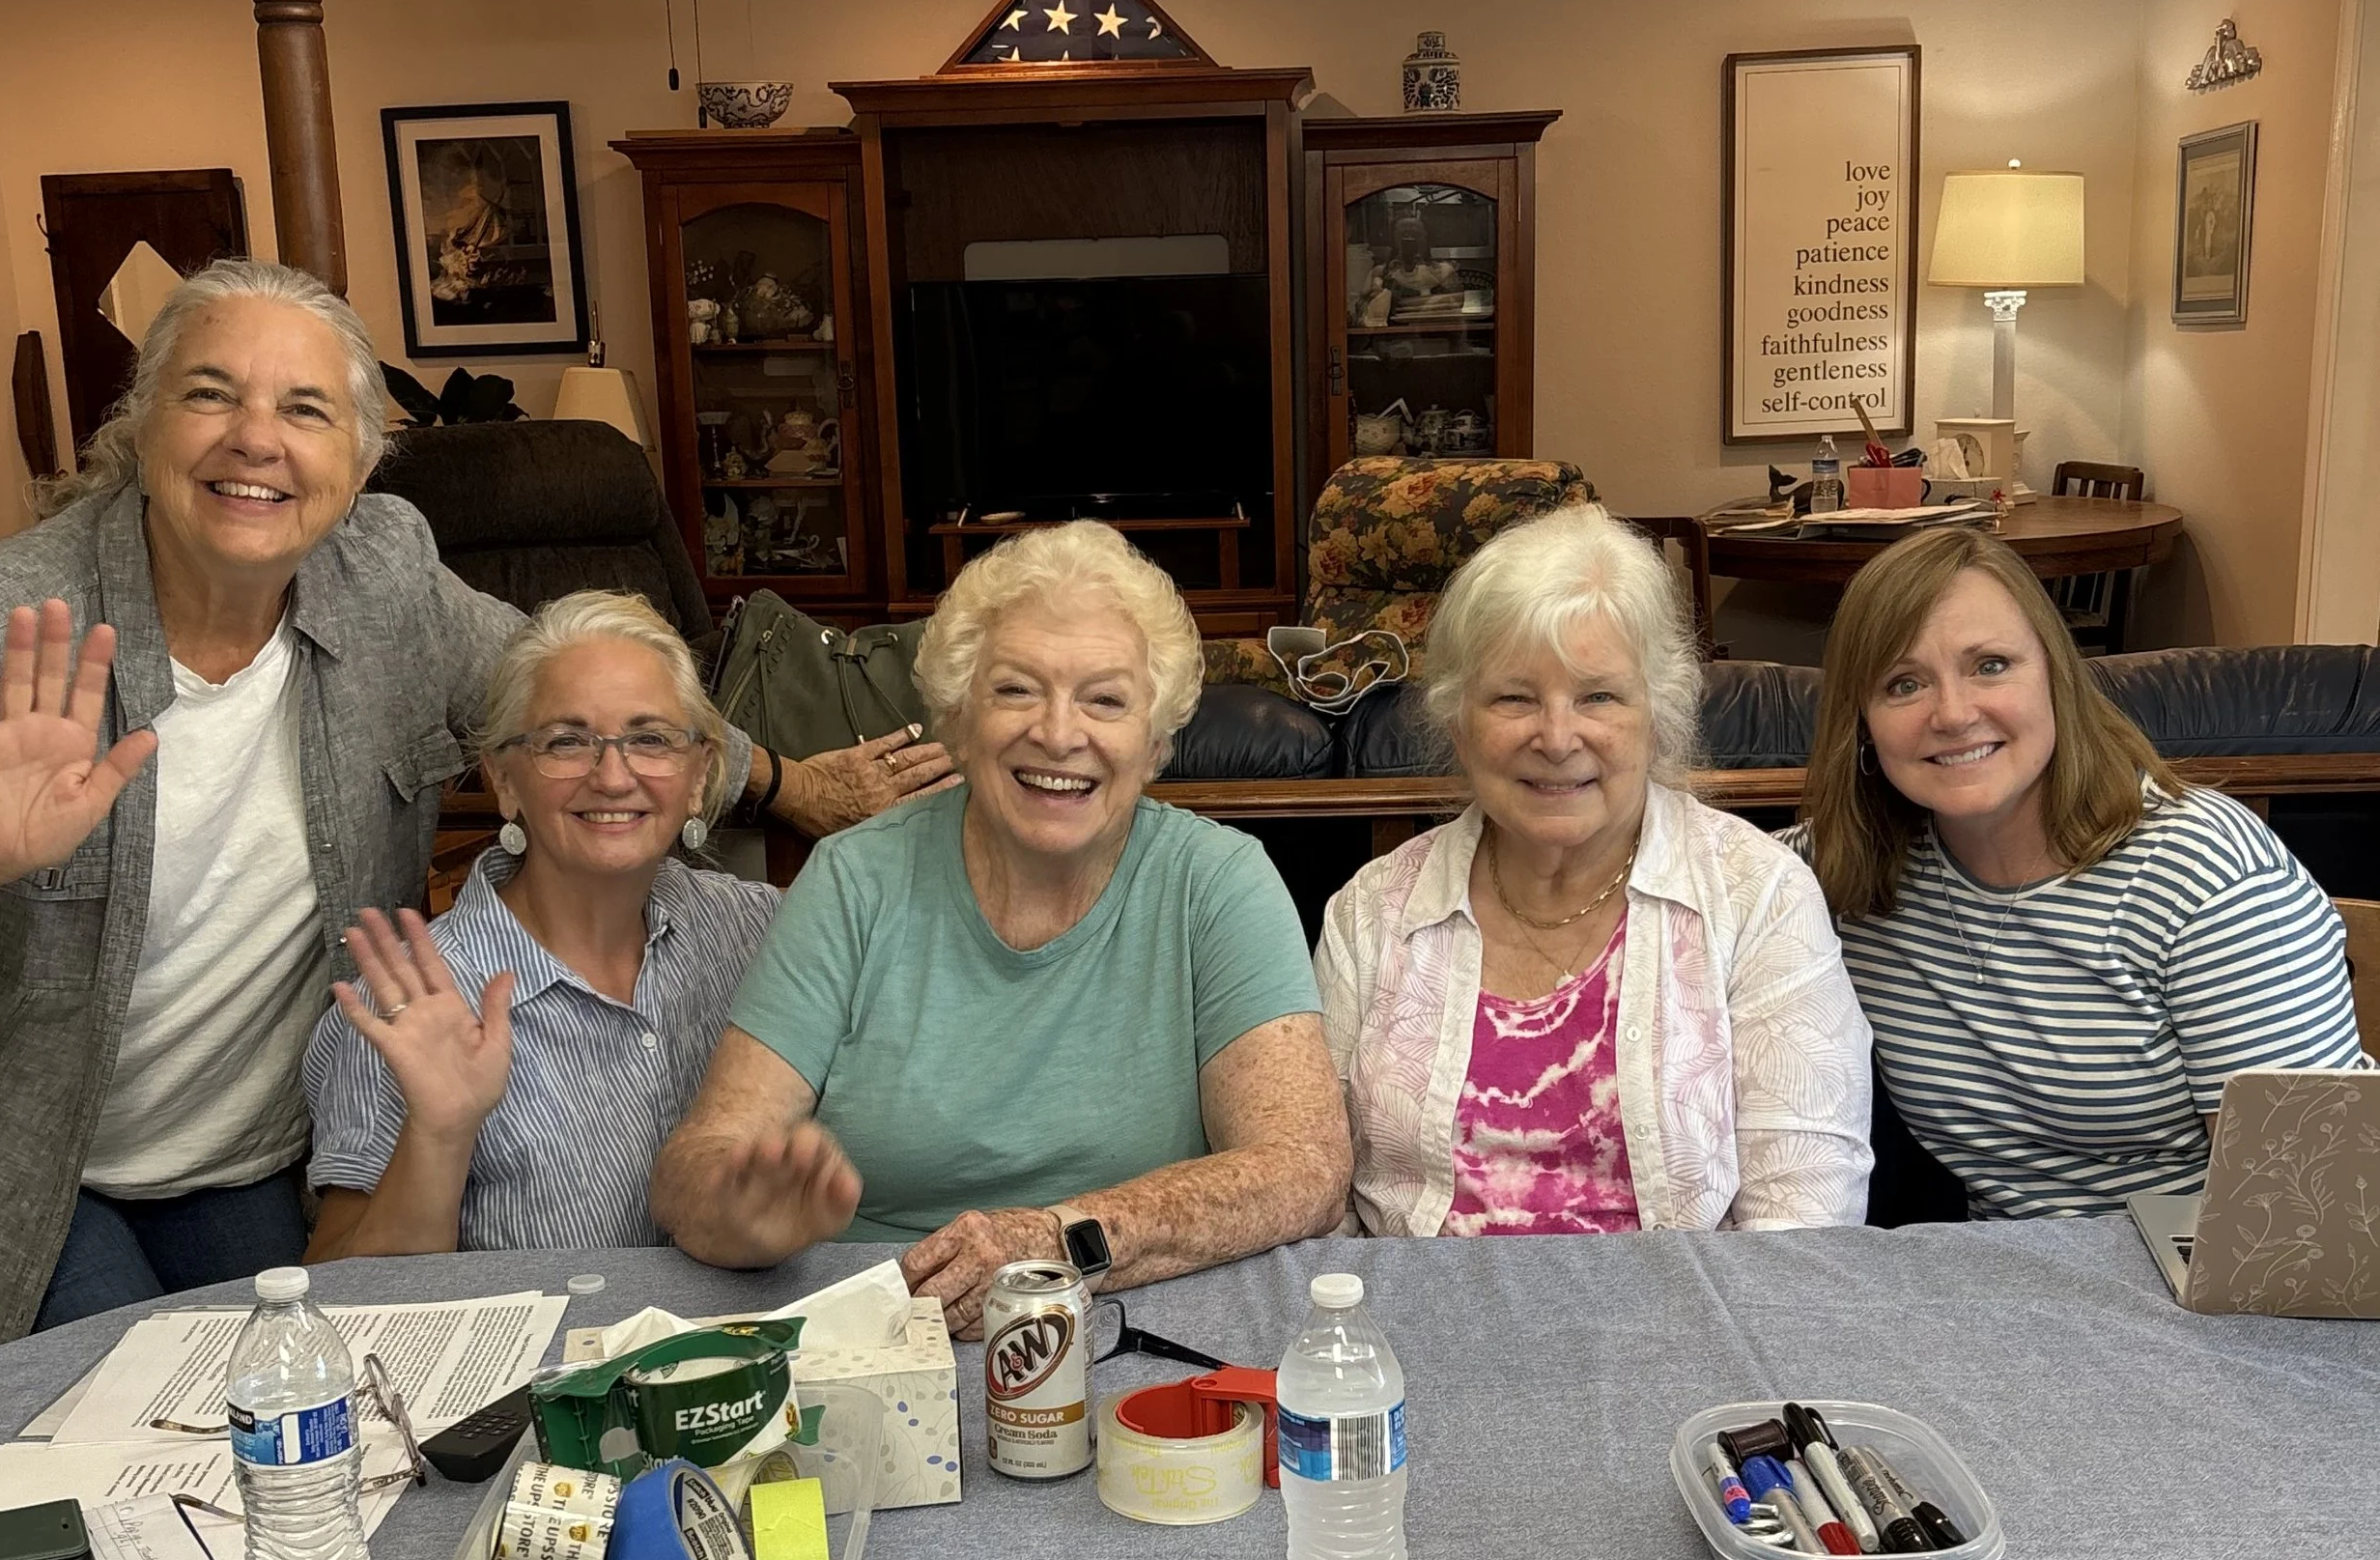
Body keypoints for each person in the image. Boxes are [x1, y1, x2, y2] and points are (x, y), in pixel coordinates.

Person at [0, 257, 952, 1350]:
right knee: (118, 1445)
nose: (256, 439)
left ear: (359, 459)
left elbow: (576, 699)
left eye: (305, 408)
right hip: (28, 1158)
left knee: (295, 1411)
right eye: (210, 393)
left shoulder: (381, 574)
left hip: (242, 1148)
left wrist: (787, 782)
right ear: (142, 421)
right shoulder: (3, 627)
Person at [652, 519, 1351, 1328]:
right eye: (1016, 688)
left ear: (1155, 741)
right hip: (888, 1332)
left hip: (1143, 1327)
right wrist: (738, 1212)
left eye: (1105, 699)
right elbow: (694, 1166)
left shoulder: (1218, 883)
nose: (1059, 732)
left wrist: (1061, 1240)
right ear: (957, 715)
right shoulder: (854, 878)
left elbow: (1303, 1166)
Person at [1316, 505, 1871, 1234]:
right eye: (1513, 696)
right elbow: (1320, 1206)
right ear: (1457, 721)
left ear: (1657, 713)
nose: (1556, 736)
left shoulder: (1757, 895)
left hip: (1684, 1334)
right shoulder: (1373, 911)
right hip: (1411, 1335)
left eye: (1598, 695)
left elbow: (1805, 1224)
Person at [1791, 524, 2366, 1219]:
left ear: (2056, 676)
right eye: (1904, 683)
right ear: (1863, 723)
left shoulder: (2206, 875)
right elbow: (1697, 866)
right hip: (1996, 1286)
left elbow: (2307, 1213)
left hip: (2202, 1290)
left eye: (1991, 664)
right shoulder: (1851, 870)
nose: (1953, 712)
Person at [301, 594, 777, 1256]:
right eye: (566, 741)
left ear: (700, 776)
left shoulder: (760, 931)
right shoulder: (414, 1002)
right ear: (504, 780)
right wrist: (438, 1136)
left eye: (649, 739)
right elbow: (343, 1303)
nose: (613, 776)